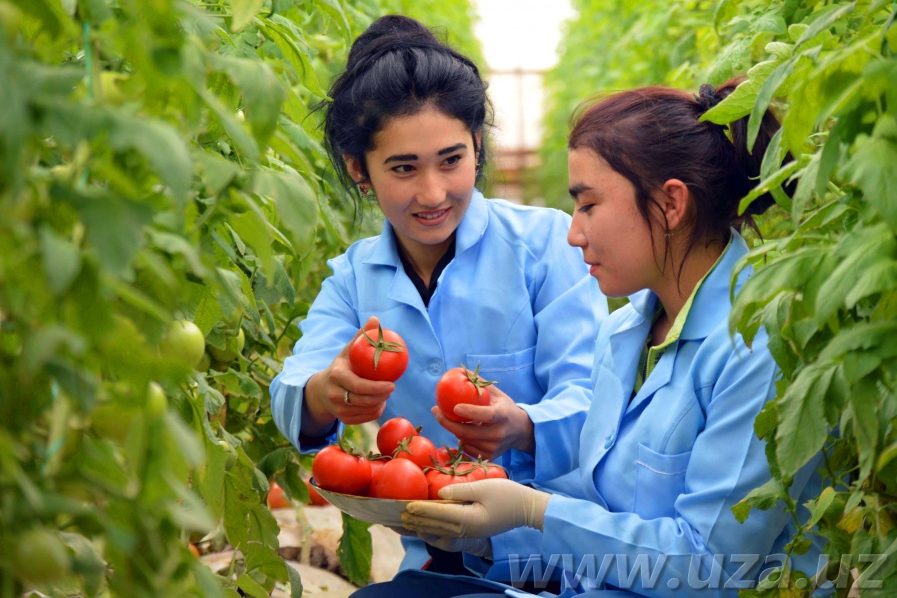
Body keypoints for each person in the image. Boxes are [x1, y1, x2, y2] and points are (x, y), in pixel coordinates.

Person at [349, 80, 828, 597]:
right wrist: (482, 536)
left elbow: (707, 566)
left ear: (670, 204)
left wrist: (536, 510)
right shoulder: (626, 332)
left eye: (589, 205)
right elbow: (600, 515)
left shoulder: (759, 344)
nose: (573, 233)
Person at [269, 14, 605, 575]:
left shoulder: (546, 245)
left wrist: (523, 425)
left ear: (477, 145)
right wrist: (326, 392)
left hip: (564, 557)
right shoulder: (354, 278)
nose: (433, 193)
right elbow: (294, 389)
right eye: (404, 168)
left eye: (452, 160)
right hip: (435, 561)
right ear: (360, 170)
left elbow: (595, 398)